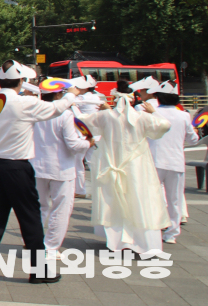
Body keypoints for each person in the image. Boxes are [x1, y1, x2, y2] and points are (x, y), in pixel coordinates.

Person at [0, 61, 77, 291]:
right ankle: (38, 271)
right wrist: (70, 95)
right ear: (21, 82)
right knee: (30, 219)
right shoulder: (24, 102)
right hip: (17, 167)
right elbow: (56, 109)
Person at [76, 83, 170, 253]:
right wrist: (153, 112)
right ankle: (143, 242)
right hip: (137, 167)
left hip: (113, 165)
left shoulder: (106, 116)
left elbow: (81, 121)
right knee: (140, 200)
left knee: (115, 201)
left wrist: (73, 105)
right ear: (132, 99)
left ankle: (117, 241)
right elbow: (164, 125)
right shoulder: (142, 117)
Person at [31, 90, 93, 255]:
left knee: (39, 207)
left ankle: (32, 241)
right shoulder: (64, 115)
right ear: (58, 96)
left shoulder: (35, 111)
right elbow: (73, 144)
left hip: (36, 165)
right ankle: (50, 247)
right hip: (61, 167)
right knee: (61, 209)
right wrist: (88, 143)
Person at [145, 81, 198, 244]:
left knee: (151, 197)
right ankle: (171, 234)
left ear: (158, 97)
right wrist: (194, 132)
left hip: (154, 160)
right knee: (175, 199)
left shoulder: (151, 114)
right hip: (175, 161)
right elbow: (193, 140)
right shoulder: (184, 115)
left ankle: (151, 228)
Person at [68, 75, 104, 198]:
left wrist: (71, 100)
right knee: (94, 164)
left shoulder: (81, 98)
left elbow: (77, 115)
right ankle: (100, 190)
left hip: (83, 135)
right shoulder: (97, 96)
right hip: (96, 135)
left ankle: (80, 190)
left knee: (78, 164)